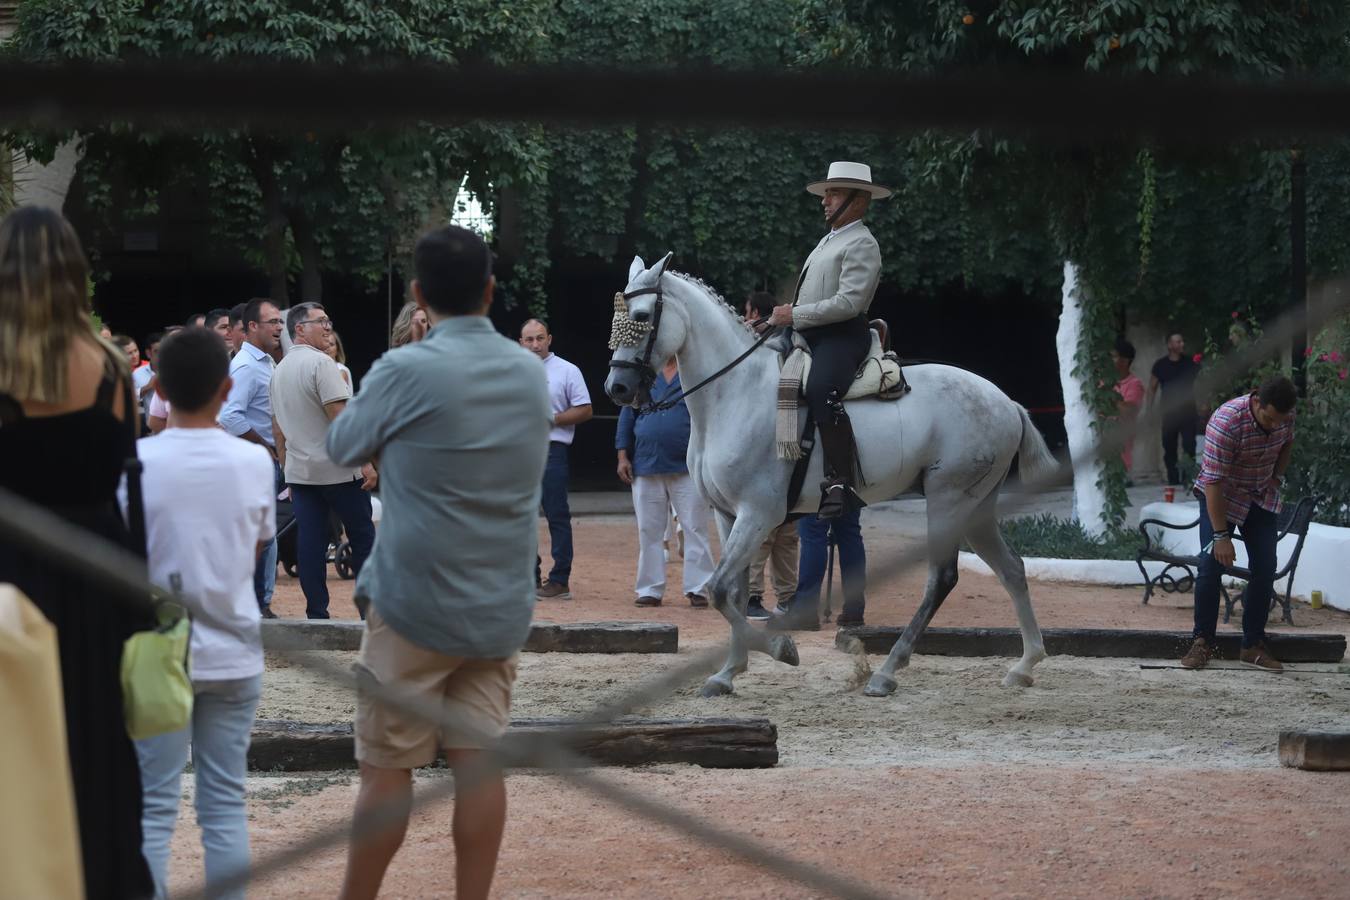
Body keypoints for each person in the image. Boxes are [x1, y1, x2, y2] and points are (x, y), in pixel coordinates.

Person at [326, 225, 549, 900]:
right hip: (498, 603)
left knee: (386, 772)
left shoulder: (405, 368)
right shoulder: (527, 369)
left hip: (412, 602)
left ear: (419, 296)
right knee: (480, 767)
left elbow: (342, 445)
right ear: (490, 289)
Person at [0, 206, 154, 898]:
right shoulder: (111, 367)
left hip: (9, 566)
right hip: (93, 569)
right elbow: (125, 472)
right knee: (93, 744)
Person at [123, 328, 275, 900]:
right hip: (234, 646)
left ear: (156, 388)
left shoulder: (134, 463)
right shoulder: (253, 462)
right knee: (224, 803)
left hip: (159, 651)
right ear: (227, 387)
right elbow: (255, 548)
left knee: (153, 805)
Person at [767, 161, 889, 519]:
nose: (825, 200)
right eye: (826, 193)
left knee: (822, 388)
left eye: (833, 193)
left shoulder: (863, 243)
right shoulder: (829, 240)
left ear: (859, 200)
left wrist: (796, 315)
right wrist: (789, 314)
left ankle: (840, 481)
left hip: (842, 335)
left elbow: (849, 303)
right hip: (809, 332)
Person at [1180, 376, 1297, 673]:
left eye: (1278, 420)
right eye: (1268, 418)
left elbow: (1287, 443)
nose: (1273, 425)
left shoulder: (1285, 416)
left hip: (1260, 497)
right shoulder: (1226, 423)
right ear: (1256, 400)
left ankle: (1252, 645)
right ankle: (1202, 642)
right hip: (1222, 498)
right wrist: (1221, 536)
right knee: (1209, 566)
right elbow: (1214, 484)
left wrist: (1277, 477)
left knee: (1265, 567)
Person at [271, 302, 377, 619]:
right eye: (321, 322)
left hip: (301, 473)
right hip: (339, 471)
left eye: (328, 320)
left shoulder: (279, 370)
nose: (328, 326)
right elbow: (342, 421)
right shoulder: (322, 364)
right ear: (299, 329)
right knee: (362, 537)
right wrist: (366, 463)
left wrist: (285, 465)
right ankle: (369, 612)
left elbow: (278, 427)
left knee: (311, 543)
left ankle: (316, 613)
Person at [615, 357, 716, 608]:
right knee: (648, 530)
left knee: (695, 527)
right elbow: (627, 414)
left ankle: (699, 587)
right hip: (646, 461)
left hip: (688, 464)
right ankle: (649, 589)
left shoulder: (695, 370)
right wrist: (622, 455)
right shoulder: (644, 375)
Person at [220, 297, 285, 618]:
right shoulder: (246, 366)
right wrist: (266, 447)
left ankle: (259, 603)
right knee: (262, 535)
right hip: (255, 462)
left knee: (264, 533)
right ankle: (259, 605)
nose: (279, 327)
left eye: (280, 321)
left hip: (264, 462)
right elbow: (229, 416)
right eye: (272, 322)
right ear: (251, 328)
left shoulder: (265, 362)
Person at [520, 317, 592, 600]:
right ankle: (529, 577)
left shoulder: (567, 370)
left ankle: (560, 579)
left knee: (556, 515)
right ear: (520, 343)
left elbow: (585, 409)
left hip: (552, 450)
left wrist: (550, 419)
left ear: (549, 339)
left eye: (540, 338)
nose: (535, 344)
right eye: (529, 339)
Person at [743, 291, 798, 620]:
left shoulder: (771, 348)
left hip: (774, 450)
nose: (744, 319)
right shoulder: (773, 345)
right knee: (775, 536)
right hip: (778, 451)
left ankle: (772, 597)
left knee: (780, 536)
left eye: (747, 313)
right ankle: (759, 596)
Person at [1149, 331, 1199, 485]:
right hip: (1169, 412)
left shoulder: (1191, 363)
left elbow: (1200, 383)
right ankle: (1173, 479)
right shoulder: (1160, 365)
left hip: (1188, 411)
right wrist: (1149, 409)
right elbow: (1152, 388)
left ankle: (1187, 478)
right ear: (1170, 345)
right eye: (1178, 341)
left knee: (1189, 444)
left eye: (1182, 341)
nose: (1182, 344)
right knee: (1169, 446)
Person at [1111, 338, 1145, 474]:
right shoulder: (1102, 381)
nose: (1109, 360)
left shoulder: (1134, 384)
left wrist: (1108, 398)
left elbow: (1129, 410)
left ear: (1125, 361)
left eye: (1113, 356)